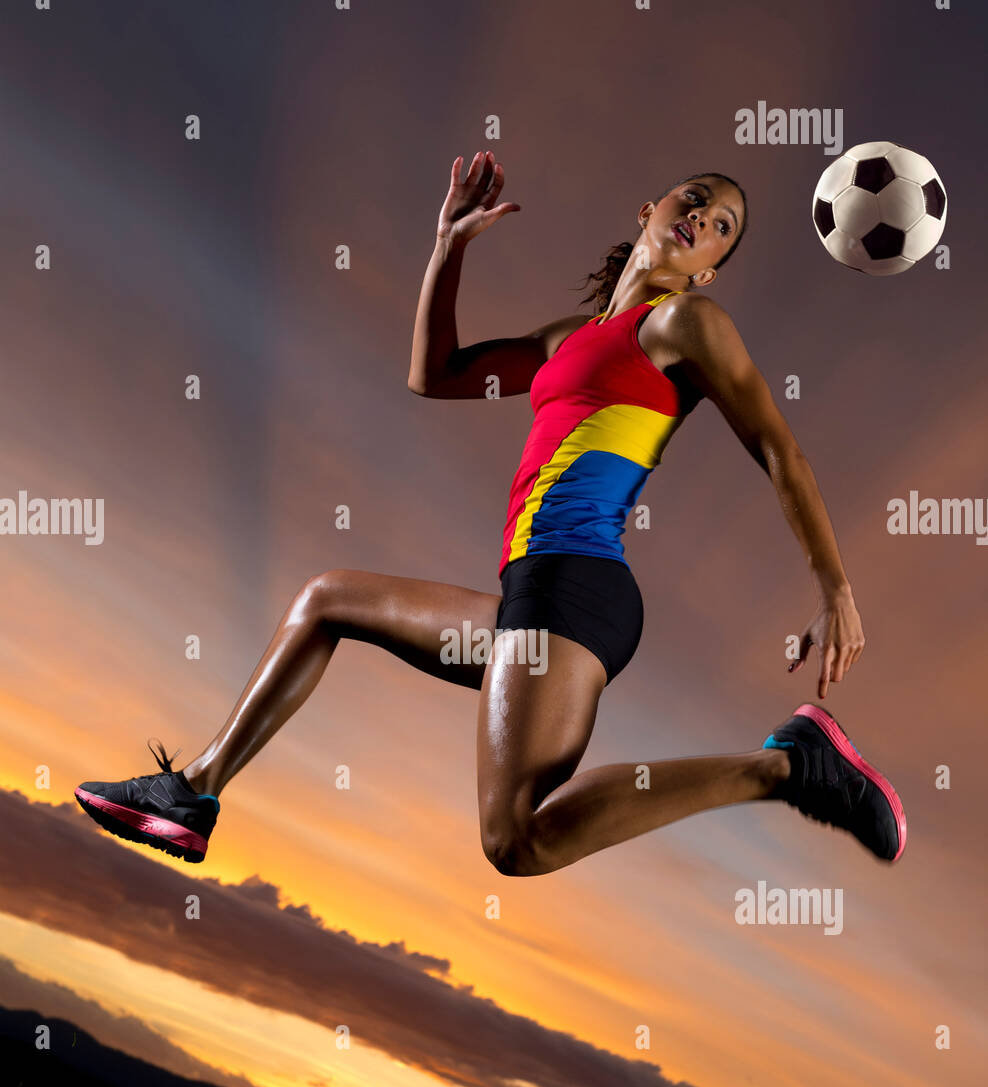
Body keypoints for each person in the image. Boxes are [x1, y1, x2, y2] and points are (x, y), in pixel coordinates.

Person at [75, 150, 906, 871]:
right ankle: (190, 798)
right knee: (325, 600)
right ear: (650, 211)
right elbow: (434, 374)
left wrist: (833, 586)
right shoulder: (566, 340)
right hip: (526, 598)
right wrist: (448, 249)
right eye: (694, 199)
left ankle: (790, 770)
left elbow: (777, 446)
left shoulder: (685, 323)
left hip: (577, 589)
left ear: (710, 270)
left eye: (723, 224)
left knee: (516, 840)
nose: (702, 219)